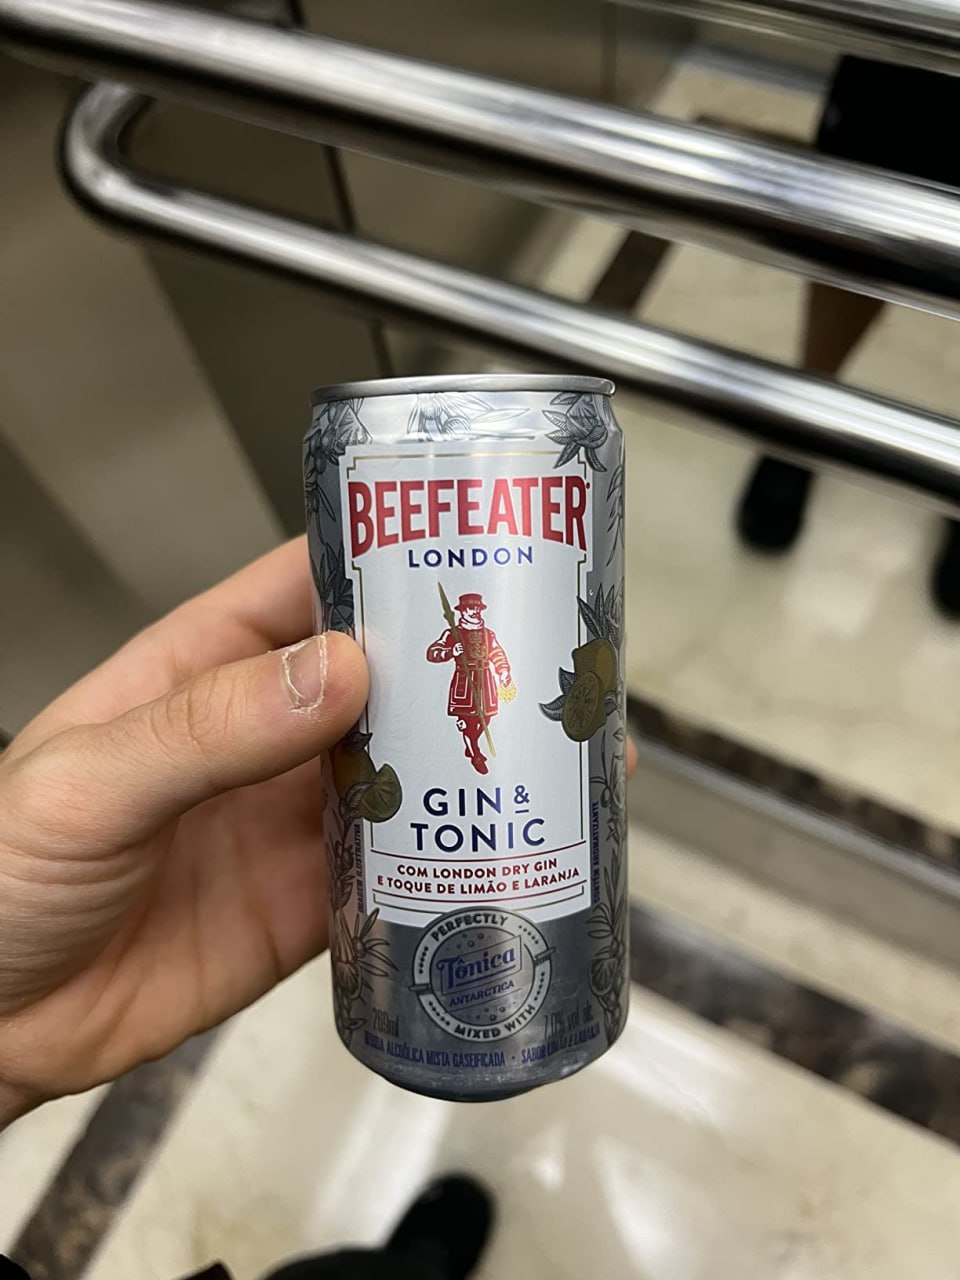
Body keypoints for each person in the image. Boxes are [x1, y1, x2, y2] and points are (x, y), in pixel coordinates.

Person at [0, 538, 638, 1279]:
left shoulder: (481, 635)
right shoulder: (456, 632)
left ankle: (414, 1263)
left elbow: (494, 657)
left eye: (470, 610)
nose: (468, 614)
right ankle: (417, 1265)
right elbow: (441, 653)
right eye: (465, 610)